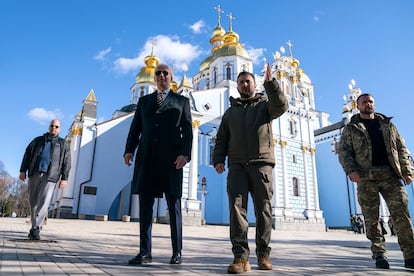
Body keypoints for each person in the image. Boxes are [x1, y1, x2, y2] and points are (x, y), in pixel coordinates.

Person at [213, 64, 288, 274]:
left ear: (255, 84)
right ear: (237, 86)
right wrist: (218, 159)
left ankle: (263, 254)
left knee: (263, 210)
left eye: (248, 81)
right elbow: (221, 138)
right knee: (237, 210)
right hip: (236, 166)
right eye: (241, 82)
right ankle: (240, 257)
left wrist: (271, 84)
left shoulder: (265, 106)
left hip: (261, 163)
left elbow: (282, 106)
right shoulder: (230, 112)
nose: (245, 85)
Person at [124, 63, 193, 265]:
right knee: (145, 206)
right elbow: (135, 128)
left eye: (165, 73)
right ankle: (145, 252)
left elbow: (187, 131)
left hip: (172, 161)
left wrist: (185, 154)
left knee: (174, 206)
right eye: (158, 73)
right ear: (154, 78)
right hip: (147, 158)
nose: (161, 75)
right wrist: (129, 149)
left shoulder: (182, 101)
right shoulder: (144, 102)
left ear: (171, 78)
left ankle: (177, 252)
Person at [338, 93, 414, 269]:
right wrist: (351, 170)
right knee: (372, 219)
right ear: (358, 106)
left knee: (402, 215)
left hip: (391, 176)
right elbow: (344, 152)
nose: (368, 104)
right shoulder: (351, 128)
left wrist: (406, 171)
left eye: (370, 101)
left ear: (374, 104)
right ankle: (379, 255)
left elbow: (401, 149)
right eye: (364, 102)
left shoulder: (387, 125)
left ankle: (410, 255)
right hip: (366, 178)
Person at [19, 119, 71, 240]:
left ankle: (36, 228)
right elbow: (27, 154)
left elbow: (67, 162)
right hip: (34, 172)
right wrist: (23, 170)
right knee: (33, 201)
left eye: (56, 126)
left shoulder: (63, 144)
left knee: (44, 201)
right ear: (49, 127)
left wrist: (65, 178)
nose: (54, 128)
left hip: (51, 176)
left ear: (60, 129)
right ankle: (34, 225)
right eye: (52, 126)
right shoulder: (38, 141)